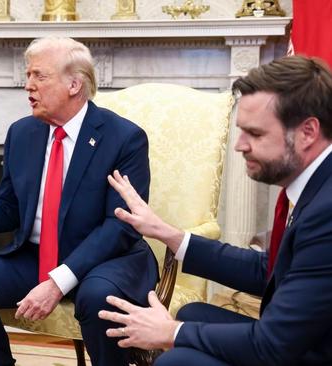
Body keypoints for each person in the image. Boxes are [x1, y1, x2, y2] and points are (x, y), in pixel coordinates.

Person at [0, 36, 158, 365]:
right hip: (38, 256)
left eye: (39, 76)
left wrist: (57, 283)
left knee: (96, 298)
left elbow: (118, 228)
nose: (28, 86)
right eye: (28, 75)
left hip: (106, 261)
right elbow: (8, 209)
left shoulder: (124, 138)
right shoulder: (23, 133)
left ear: (74, 84)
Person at [99, 55, 332, 365]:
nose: (240, 145)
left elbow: (273, 344)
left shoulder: (326, 213)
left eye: (256, 133)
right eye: (241, 131)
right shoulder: (315, 185)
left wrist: (172, 333)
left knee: (175, 360)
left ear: (307, 132)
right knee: (192, 313)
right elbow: (270, 271)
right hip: (302, 340)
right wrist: (168, 234)